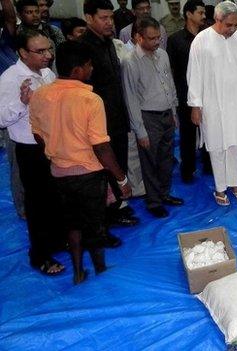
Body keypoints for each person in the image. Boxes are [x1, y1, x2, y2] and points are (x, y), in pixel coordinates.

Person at [30, 41, 132, 284]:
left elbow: (36, 133)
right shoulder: (90, 100)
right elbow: (101, 147)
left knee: (72, 224)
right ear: (78, 70)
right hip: (88, 174)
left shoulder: (40, 95)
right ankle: (100, 270)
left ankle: (77, 272)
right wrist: (121, 179)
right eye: (89, 65)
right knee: (95, 224)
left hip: (59, 172)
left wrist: (56, 149)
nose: (91, 69)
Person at [0, 29, 64, 275]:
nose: (48, 55)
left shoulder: (48, 73)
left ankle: (57, 241)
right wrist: (22, 102)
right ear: (23, 53)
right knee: (37, 204)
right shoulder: (10, 78)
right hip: (29, 149)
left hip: (53, 144)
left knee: (56, 198)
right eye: (40, 51)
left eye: (49, 49)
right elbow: (2, 119)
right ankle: (40, 255)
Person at [187, 1, 237, 206]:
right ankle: (220, 188)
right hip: (212, 104)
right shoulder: (201, 41)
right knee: (217, 145)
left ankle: (235, 183)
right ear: (217, 20)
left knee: (235, 143)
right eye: (229, 25)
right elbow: (194, 75)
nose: (233, 29)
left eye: (236, 25)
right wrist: (195, 105)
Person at [81, 0, 138, 237]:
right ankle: (101, 224)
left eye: (111, 18)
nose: (109, 23)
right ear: (88, 18)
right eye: (103, 18)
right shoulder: (83, 48)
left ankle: (117, 210)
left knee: (119, 165)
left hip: (116, 116)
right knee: (103, 171)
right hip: (96, 123)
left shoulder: (109, 44)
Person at [122, 17, 182, 218]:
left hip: (166, 114)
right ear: (138, 37)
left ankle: (164, 194)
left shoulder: (162, 55)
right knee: (150, 161)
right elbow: (131, 98)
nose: (157, 42)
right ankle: (154, 201)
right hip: (148, 118)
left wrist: (173, 112)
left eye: (159, 37)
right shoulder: (130, 62)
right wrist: (140, 130)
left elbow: (170, 85)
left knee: (166, 158)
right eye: (152, 38)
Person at [167, 0, 211, 184]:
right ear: (189, 14)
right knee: (187, 135)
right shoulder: (175, 40)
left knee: (209, 131)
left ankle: (210, 166)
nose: (203, 16)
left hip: (209, 94)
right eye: (200, 13)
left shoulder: (209, 37)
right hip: (186, 95)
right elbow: (171, 71)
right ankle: (188, 169)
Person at [0, 0, 24, 220]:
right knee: (16, 159)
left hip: (26, 102)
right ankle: (23, 208)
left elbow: (9, 17)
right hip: (7, 108)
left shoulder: (6, 43)